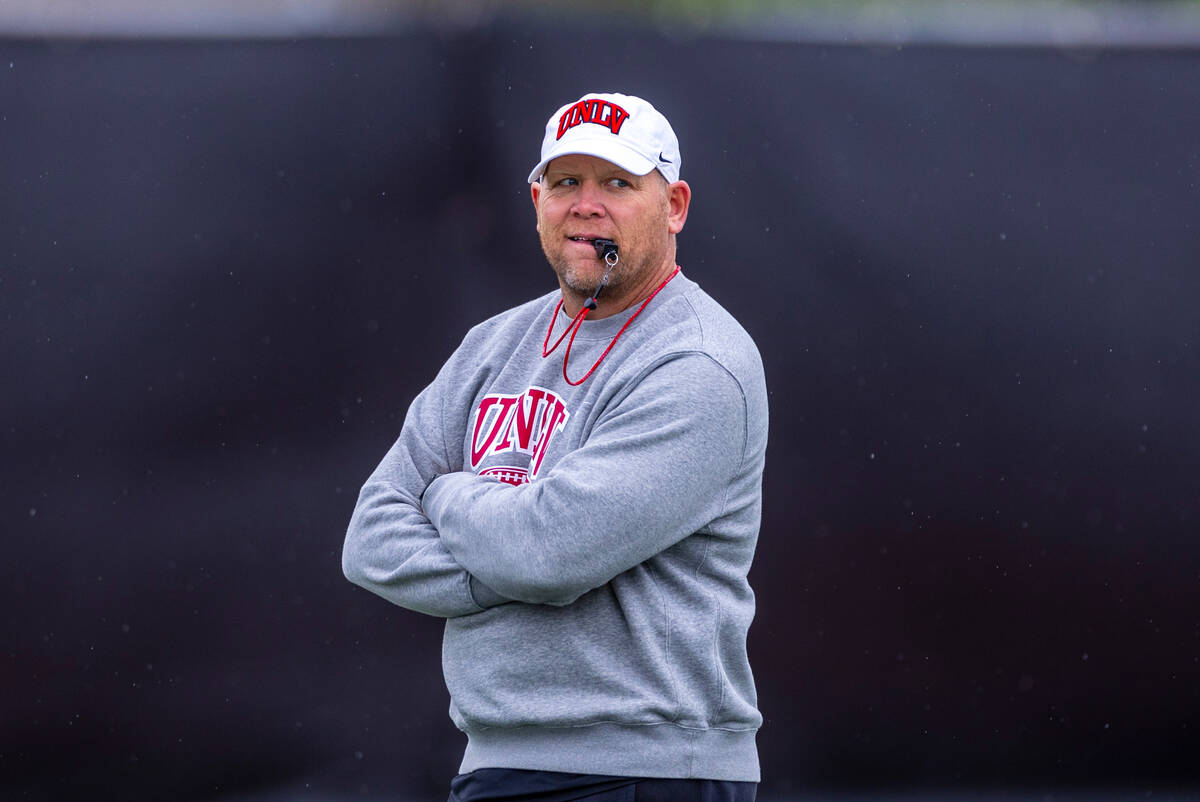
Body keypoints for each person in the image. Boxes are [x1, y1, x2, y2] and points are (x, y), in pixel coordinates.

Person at [342, 91, 768, 801]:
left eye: (618, 183)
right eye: (566, 181)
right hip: (494, 762)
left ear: (675, 206)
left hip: (647, 772)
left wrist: (448, 495)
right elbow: (370, 539)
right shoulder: (491, 347)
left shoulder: (699, 361)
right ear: (537, 199)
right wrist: (509, 559)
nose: (586, 204)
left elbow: (549, 552)